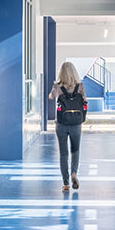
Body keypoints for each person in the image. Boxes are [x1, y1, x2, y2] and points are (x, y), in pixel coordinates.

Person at [49, 61, 87, 193]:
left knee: (63, 153)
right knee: (75, 151)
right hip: (76, 123)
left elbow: (51, 97)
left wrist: (55, 88)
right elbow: (84, 100)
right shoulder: (80, 86)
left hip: (61, 124)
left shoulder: (57, 86)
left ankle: (65, 183)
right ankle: (74, 173)